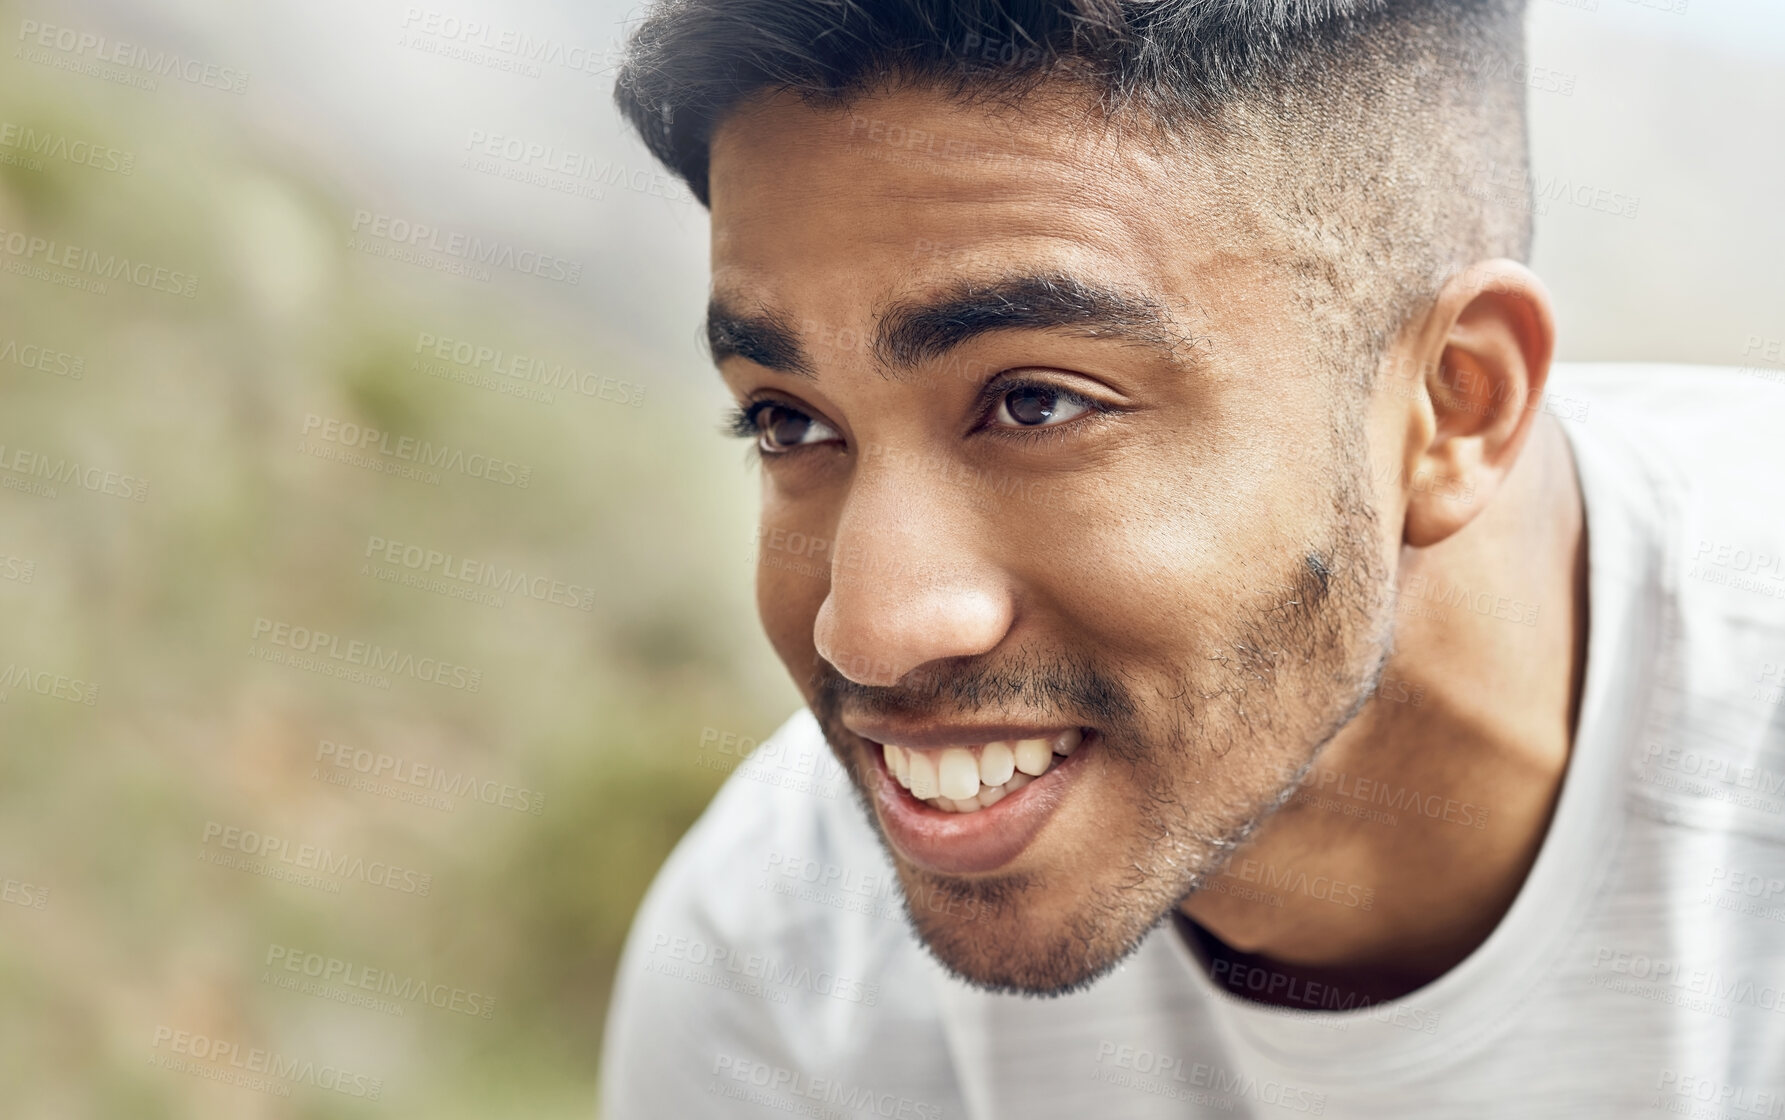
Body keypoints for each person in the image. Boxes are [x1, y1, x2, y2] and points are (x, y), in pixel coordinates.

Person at [601, 1, 1785, 1114]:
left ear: (1453, 404)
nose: (867, 629)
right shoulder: (778, 963)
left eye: (1035, 405)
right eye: (787, 420)